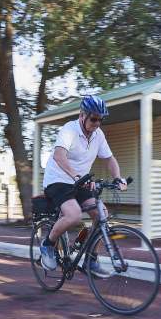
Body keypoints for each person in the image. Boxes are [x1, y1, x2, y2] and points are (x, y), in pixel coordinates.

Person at [41, 95, 127, 277]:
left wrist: (118, 177)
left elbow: (109, 158)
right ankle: (47, 245)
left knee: (101, 213)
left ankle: (90, 258)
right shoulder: (69, 129)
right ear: (82, 115)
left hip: (79, 182)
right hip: (57, 180)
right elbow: (59, 155)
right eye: (94, 118)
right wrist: (76, 175)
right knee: (74, 215)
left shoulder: (98, 135)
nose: (97, 123)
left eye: (100, 119)